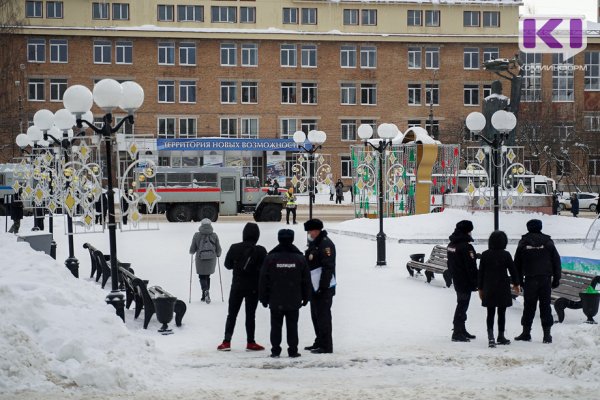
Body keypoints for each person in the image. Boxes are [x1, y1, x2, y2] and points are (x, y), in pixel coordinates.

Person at [259, 229, 311, 358]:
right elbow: (306, 280)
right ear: (292, 239)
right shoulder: (299, 258)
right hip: (293, 299)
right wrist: (306, 296)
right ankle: (293, 350)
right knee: (292, 326)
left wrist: (263, 298)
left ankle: (275, 350)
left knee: (275, 326)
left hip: (275, 299)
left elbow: (263, 279)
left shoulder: (270, 258)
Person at [217, 222, 268, 352]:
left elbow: (227, 265)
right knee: (251, 315)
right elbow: (265, 269)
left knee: (232, 314)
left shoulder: (234, 248)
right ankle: (251, 342)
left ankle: (226, 341)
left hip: (237, 286)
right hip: (253, 288)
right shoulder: (261, 250)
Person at [513, 219, 561, 344]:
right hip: (545, 279)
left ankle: (526, 332)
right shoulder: (548, 242)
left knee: (529, 306)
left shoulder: (523, 242)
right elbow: (556, 261)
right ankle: (547, 335)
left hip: (530, 279)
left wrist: (518, 280)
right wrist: (556, 278)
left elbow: (517, 263)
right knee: (545, 306)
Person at [478, 231, 520, 348]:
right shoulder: (506, 255)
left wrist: (480, 288)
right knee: (502, 313)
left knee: (490, 313)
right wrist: (516, 284)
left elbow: (481, 272)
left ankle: (490, 337)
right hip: (502, 287)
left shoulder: (485, 255)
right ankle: (501, 336)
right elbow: (513, 270)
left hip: (489, 287)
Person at [304, 218, 336, 354]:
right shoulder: (316, 244)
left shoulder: (325, 244)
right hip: (315, 287)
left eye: (310, 231)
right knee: (316, 316)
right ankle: (319, 341)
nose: (309, 234)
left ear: (316, 231)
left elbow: (328, 267)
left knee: (323, 317)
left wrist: (322, 287)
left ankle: (326, 345)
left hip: (323, 288)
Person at [447, 220, 478, 342]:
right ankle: (457, 332)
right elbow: (470, 267)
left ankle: (461, 329)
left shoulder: (452, 244)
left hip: (457, 278)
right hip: (465, 280)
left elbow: (451, 262)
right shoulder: (466, 246)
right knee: (462, 305)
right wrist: (475, 282)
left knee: (462, 304)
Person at [189, 218, 222, 303]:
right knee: (207, 276)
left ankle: (205, 291)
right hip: (211, 259)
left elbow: (192, 249)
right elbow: (218, 248)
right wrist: (218, 254)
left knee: (202, 276)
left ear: (201, 225)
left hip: (200, 259)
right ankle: (205, 294)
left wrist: (191, 252)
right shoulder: (214, 235)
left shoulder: (197, 235)